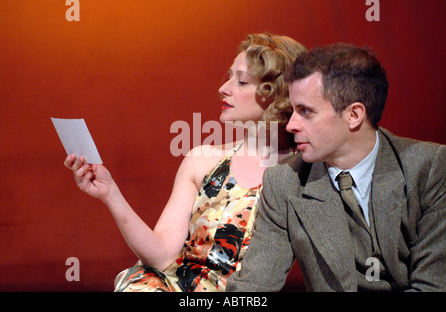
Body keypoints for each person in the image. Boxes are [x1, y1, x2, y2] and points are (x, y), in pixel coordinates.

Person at [64, 33, 307, 292]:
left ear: (276, 93)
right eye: (229, 76)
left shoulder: (304, 174)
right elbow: (162, 256)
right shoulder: (203, 159)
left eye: (242, 81)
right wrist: (110, 193)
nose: (223, 88)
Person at [227, 43, 446, 292]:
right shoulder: (284, 181)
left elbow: (434, 286)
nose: (290, 125)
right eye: (292, 110)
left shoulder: (430, 168)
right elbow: (253, 288)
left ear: (354, 115)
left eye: (305, 112)